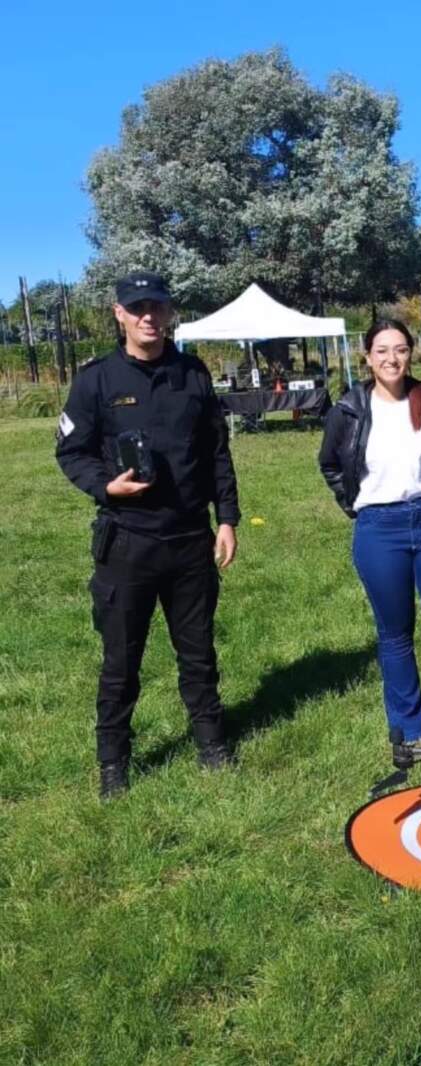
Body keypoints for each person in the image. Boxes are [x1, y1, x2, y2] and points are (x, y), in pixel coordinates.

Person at [56, 271, 240, 798]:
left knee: (198, 653)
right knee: (121, 661)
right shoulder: (96, 381)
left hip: (189, 540)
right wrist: (105, 486)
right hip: (127, 541)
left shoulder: (192, 374)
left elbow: (217, 453)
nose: (148, 317)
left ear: (169, 311)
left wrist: (227, 518)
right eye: (137, 308)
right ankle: (113, 762)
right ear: (119, 314)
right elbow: (71, 450)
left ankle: (212, 744)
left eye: (157, 307)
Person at [319, 319, 421, 749]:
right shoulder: (349, 408)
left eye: (401, 349)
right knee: (395, 635)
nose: (392, 359)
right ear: (367, 357)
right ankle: (408, 728)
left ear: (411, 353)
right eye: (382, 350)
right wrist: (355, 504)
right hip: (378, 528)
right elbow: (330, 463)